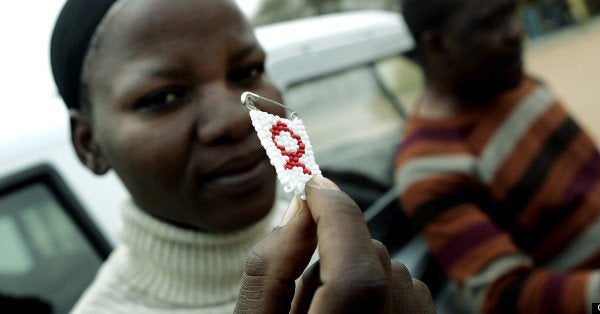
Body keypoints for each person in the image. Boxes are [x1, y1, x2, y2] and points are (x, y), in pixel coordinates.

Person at [49, 0, 435, 313]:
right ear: (89, 143)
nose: (238, 118)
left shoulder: (335, 236)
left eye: (248, 70)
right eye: (164, 97)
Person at [396, 0, 600, 312]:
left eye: (510, 13)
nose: (516, 32)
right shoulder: (429, 170)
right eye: (489, 23)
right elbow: (503, 298)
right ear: (437, 45)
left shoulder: (516, 82)